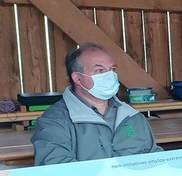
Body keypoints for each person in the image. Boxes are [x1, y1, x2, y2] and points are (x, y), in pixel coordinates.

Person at [32, 44, 161, 165]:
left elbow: (154, 158)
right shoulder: (55, 121)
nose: (109, 75)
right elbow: (56, 169)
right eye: (99, 70)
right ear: (77, 78)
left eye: (112, 69)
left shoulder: (132, 116)